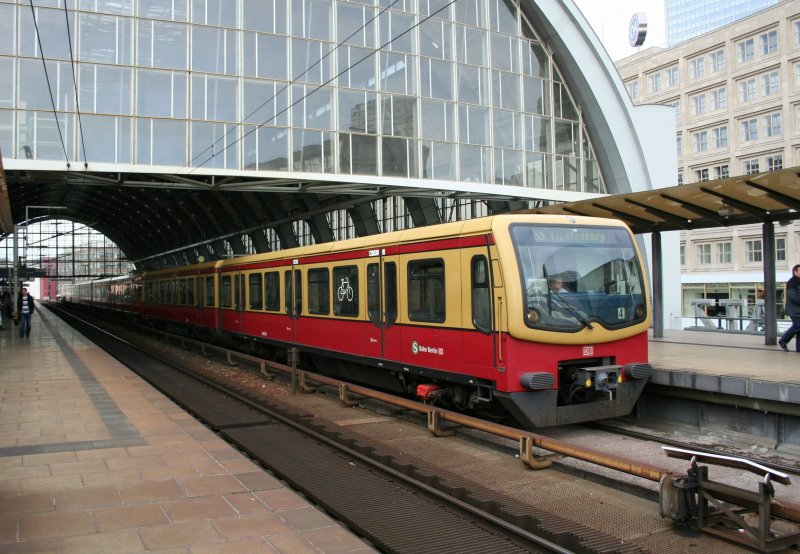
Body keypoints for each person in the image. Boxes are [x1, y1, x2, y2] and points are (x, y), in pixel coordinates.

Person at [779, 264, 800, 352]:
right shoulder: (792, 282)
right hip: (794, 310)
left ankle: (799, 348)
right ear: (795, 272)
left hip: (798, 310)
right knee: (797, 325)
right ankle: (783, 340)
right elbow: (793, 297)